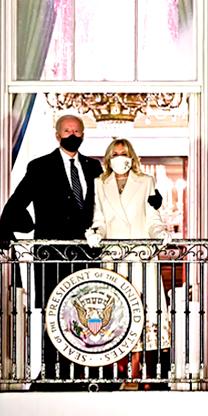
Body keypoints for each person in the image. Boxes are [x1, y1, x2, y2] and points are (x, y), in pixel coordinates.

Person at [0, 114, 103, 388]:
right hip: (51, 256)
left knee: (88, 313)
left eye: (77, 131)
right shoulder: (40, 167)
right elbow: (14, 207)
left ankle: (88, 375)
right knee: (53, 313)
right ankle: (52, 375)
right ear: (57, 134)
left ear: (83, 135)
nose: (73, 134)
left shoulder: (94, 168)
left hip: (88, 256)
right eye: (67, 130)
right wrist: (29, 225)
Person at [84, 138, 172, 390]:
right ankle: (119, 372)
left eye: (123, 153)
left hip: (141, 257)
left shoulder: (146, 182)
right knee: (116, 314)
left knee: (142, 313)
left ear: (132, 157)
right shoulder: (99, 184)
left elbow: (153, 219)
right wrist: (95, 233)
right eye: (114, 154)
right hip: (114, 259)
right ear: (108, 158)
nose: (119, 158)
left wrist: (160, 234)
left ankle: (135, 374)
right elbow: (99, 219)